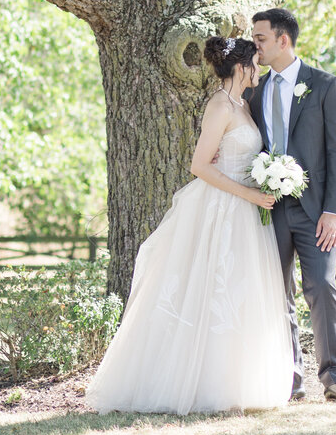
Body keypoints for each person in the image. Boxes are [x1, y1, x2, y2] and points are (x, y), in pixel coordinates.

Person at [86, 37, 293, 414]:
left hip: (246, 212)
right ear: (242, 67)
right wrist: (249, 196)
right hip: (221, 211)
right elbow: (199, 166)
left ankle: (235, 385)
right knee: (209, 291)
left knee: (238, 294)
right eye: (255, 63)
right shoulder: (219, 105)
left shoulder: (243, 105)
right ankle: (197, 386)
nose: (259, 68)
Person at [247, 7, 336, 403]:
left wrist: (334, 211)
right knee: (276, 293)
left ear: (283, 40)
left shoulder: (326, 86)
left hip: (316, 211)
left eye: (260, 38)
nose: (255, 46)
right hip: (267, 208)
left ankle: (333, 377)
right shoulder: (253, 90)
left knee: (323, 287)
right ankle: (289, 378)